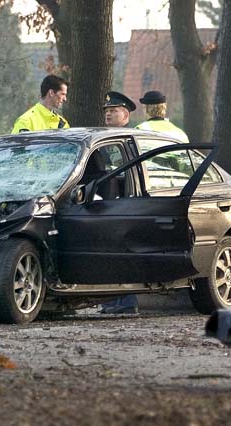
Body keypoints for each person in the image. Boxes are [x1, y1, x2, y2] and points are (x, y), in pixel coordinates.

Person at [99, 90, 139, 314]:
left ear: (126, 115)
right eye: (107, 111)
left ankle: (126, 301)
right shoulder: (103, 139)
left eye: (113, 111)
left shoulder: (129, 140)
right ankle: (113, 299)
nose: (108, 114)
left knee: (123, 251)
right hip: (107, 203)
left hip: (126, 202)